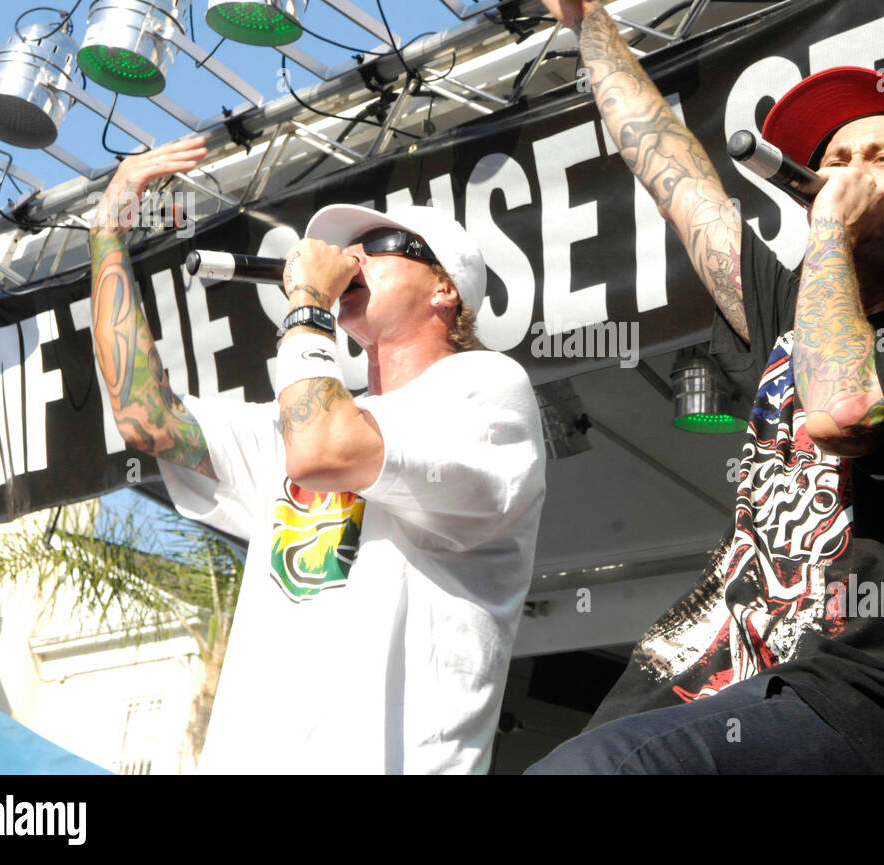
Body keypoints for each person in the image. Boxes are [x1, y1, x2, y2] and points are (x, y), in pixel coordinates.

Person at [498, 0, 884, 773]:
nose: (847, 173)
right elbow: (674, 172)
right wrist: (585, 19)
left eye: (879, 157)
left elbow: (844, 406)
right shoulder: (799, 309)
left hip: (881, 715)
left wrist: (829, 235)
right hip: (728, 693)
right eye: (833, 161)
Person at [87, 138, 546, 774]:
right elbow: (145, 417)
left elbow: (327, 450)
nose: (352, 259)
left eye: (379, 248)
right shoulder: (310, 417)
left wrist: (308, 307)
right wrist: (107, 232)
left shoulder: (485, 390)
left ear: (445, 290)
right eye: (348, 251)